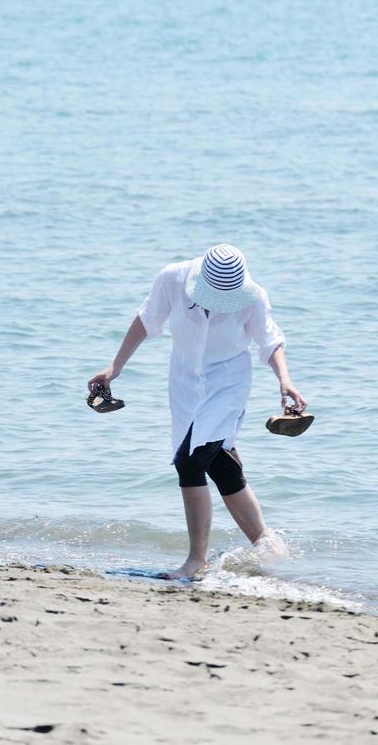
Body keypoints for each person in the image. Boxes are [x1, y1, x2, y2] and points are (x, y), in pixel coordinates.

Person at [89, 244, 307, 580]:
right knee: (219, 464)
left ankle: (195, 562)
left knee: (190, 461)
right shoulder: (173, 278)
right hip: (185, 383)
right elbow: (147, 321)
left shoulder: (253, 296)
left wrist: (285, 381)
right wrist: (115, 367)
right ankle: (267, 544)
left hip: (228, 382)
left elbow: (270, 341)